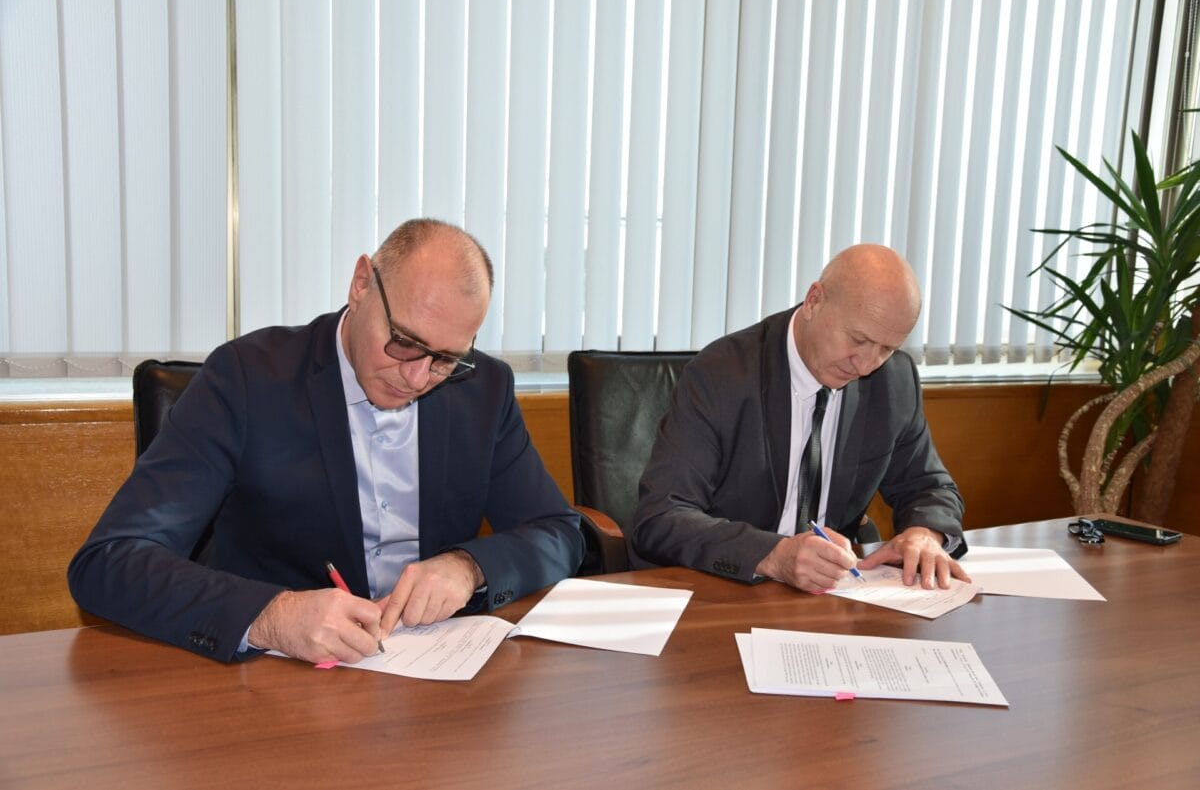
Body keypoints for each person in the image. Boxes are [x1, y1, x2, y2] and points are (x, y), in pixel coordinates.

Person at [69, 219, 584, 664]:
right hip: (276, 683)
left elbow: (559, 532)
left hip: (431, 671)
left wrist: (468, 567)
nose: (417, 377)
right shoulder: (246, 379)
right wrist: (272, 616)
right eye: (404, 342)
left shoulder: (483, 388)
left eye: (446, 359)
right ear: (361, 285)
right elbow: (110, 561)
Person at [631, 244, 969, 593]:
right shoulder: (721, 374)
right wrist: (772, 554)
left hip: (831, 594)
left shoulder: (892, 381)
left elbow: (930, 487)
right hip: (722, 590)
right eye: (858, 339)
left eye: (887, 348)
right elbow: (661, 516)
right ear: (813, 301)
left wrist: (925, 533)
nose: (867, 364)